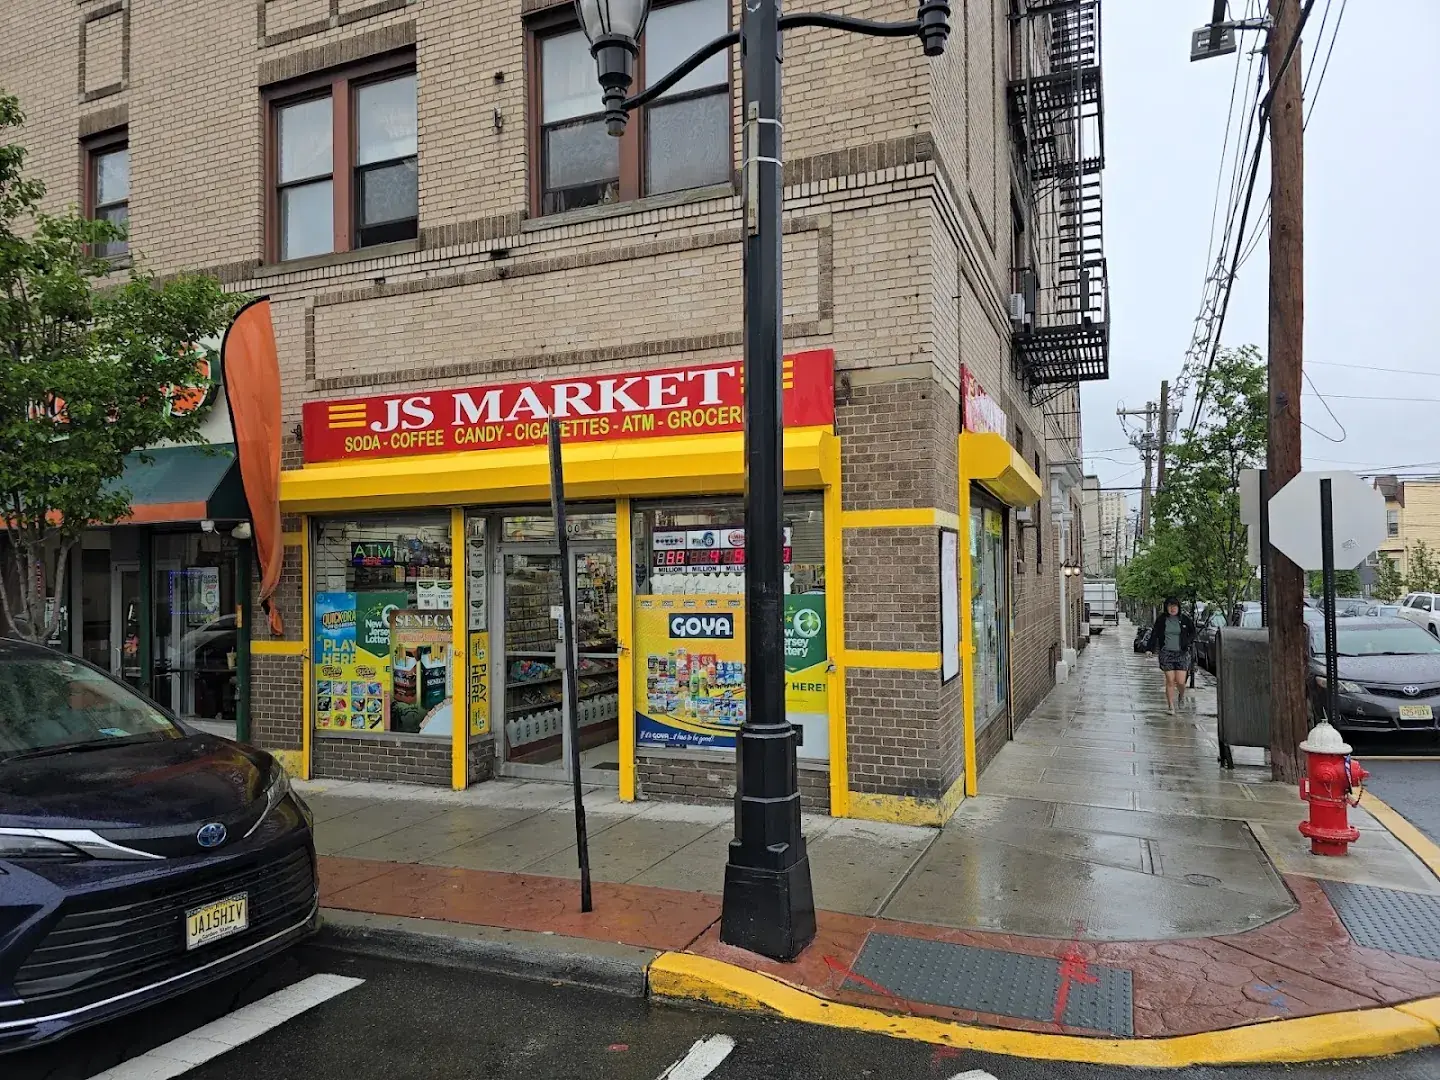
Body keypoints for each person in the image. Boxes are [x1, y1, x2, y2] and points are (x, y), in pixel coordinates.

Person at [1148, 598, 1196, 714]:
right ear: (1166, 607)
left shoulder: (1184, 619)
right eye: (1170, 606)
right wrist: (1150, 649)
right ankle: (1171, 706)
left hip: (1182, 653)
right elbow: (1154, 633)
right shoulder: (1162, 620)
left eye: (1174, 606)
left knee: (1180, 681)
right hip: (1166, 653)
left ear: (1178, 607)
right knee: (1170, 680)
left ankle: (1181, 695)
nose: (1172, 608)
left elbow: (1193, 632)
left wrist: (1187, 642)